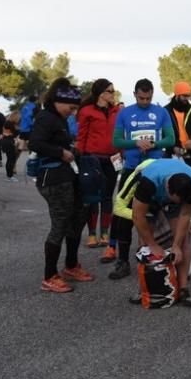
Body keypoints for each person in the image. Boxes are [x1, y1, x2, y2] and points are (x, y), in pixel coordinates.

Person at [29, 78, 95, 293]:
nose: (73, 112)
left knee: (76, 219)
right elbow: (36, 143)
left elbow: (58, 142)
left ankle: (71, 265)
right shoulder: (46, 117)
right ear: (59, 100)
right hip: (53, 179)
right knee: (60, 224)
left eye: (76, 108)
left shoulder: (58, 118)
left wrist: (72, 149)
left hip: (66, 176)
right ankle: (49, 276)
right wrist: (61, 152)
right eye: (71, 107)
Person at [107, 79, 175, 280]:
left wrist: (152, 144)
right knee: (123, 215)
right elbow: (116, 141)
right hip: (131, 169)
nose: (145, 101)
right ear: (135, 94)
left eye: (148, 98)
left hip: (155, 170)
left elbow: (171, 139)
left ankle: (166, 256)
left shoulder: (161, 112)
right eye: (141, 97)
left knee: (162, 213)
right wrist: (135, 142)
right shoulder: (125, 113)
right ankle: (122, 261)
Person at [114, 158, 191, 305]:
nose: (175, 202)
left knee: (183, 241)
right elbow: (137, 216)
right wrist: (152, 244)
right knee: (145, 244)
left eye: (179, 201)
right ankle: (144, 288)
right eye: (173, 199)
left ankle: (183, 289)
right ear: (167, 187)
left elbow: (185, 214)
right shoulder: (148, 181)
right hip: (152, 198)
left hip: (175, 192)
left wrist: (176, 245)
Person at [75, 79, 119, 252]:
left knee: (108, 196)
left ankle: (105, 233)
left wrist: (121, 154)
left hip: (112, 159)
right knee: (93, 197)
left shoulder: (117, 111)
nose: (113, 94)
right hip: (92, 158)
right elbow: (81, 135)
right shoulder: (87, 111)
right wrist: (80, 156)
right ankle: (92, 233)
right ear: (101, 93)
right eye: (110, 91)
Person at [164, 81, 191, 169]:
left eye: (188, 96)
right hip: (172, 154)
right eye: (184, 96)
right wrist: (173, 147)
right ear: (177, 95)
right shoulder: (166, 111)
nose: (187, 98)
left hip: (189, 153)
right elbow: (163, 133)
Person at [1, 117, 19, 182]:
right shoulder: (10, 123)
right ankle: (10, 176)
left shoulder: (7, 123)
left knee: (10, 159)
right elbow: (16, 132)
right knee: (11, 159)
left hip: (6, 141)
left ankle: (9, 175)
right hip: (9, 142)